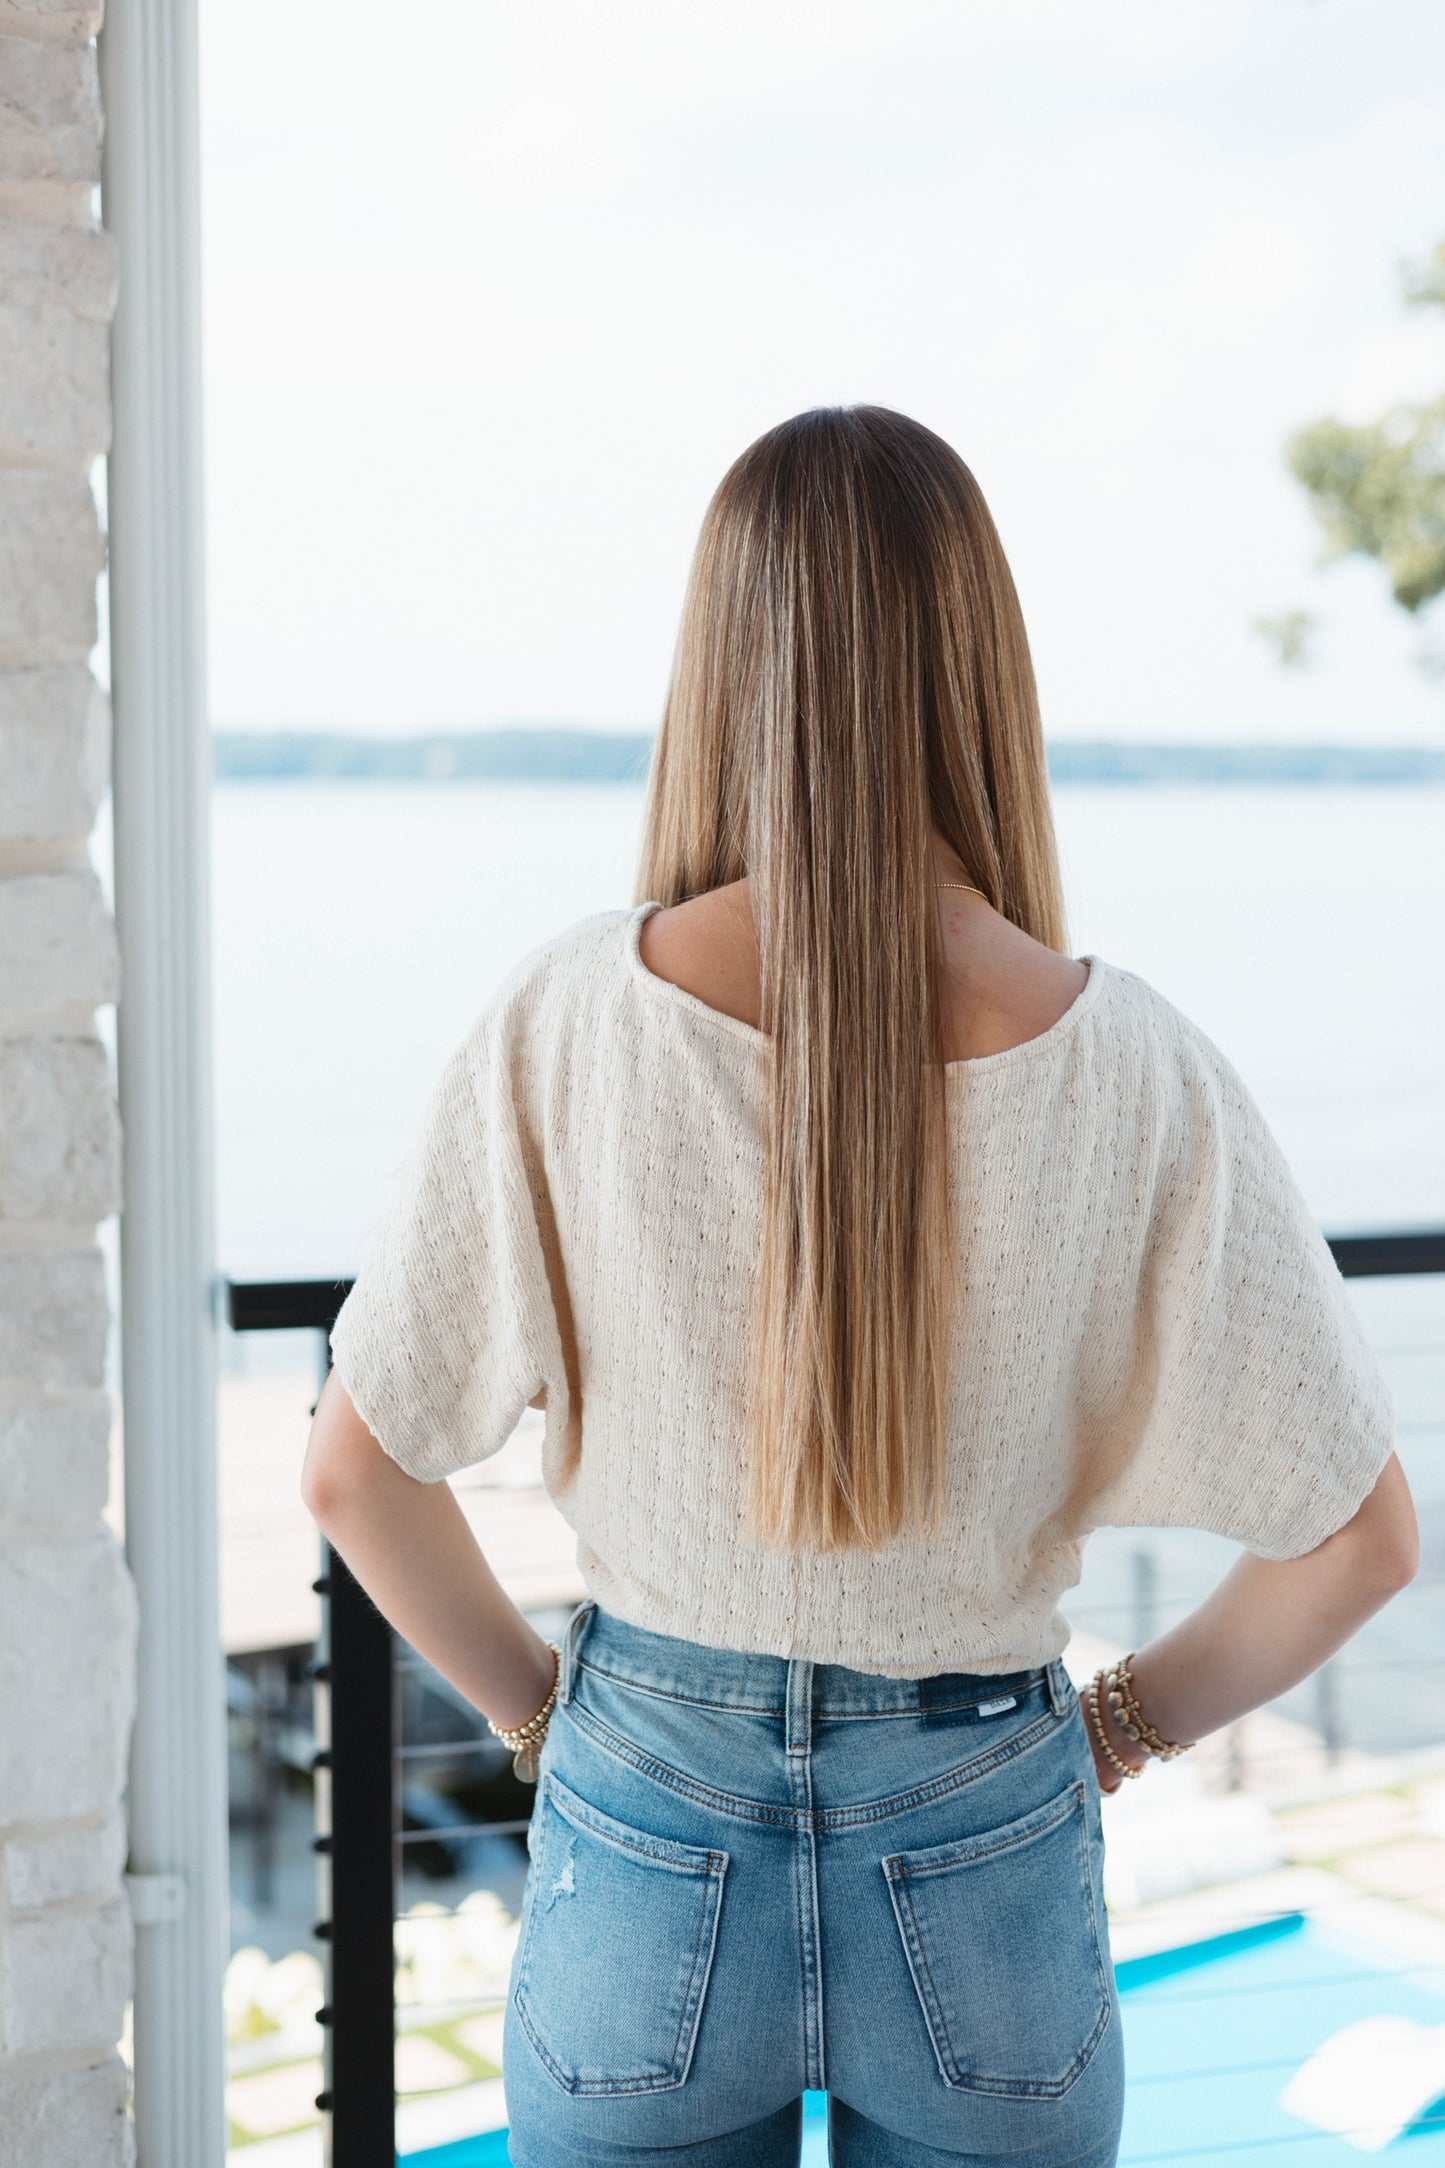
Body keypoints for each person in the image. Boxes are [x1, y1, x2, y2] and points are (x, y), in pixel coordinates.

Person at [301, 405, 1417, 2168]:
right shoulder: (1133, 1065)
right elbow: (1358, 1541)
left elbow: (357, 1471)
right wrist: (1118, 1725)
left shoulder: (569, 1020)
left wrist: (546, 1718)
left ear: (721, 666)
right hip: (982, 1837)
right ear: (979, 663)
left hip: (644, 1828)